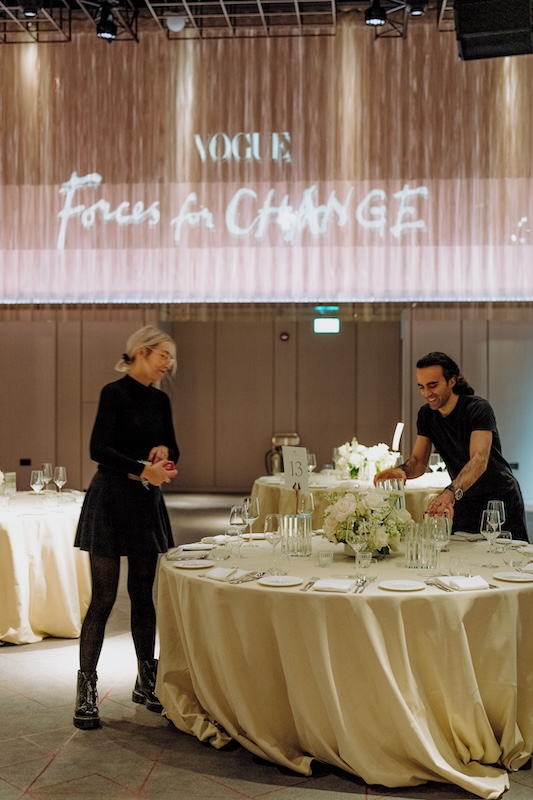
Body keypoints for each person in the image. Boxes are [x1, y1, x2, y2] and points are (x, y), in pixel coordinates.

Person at [73, 326, 180, 730]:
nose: (168, 364)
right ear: (141, 352)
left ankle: (146, 680)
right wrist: (141, 467)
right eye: (164, 355)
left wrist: (165, 454)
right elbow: (98, 449)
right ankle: (86, 690)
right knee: (102, 598)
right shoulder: (113, 393)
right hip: (111, 500)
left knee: (142, 595)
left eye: (170, 358)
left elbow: (174, 445)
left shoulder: (161, 400)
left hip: (145, 501)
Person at [374, 351, 528, 540]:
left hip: (498, 498)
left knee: (507, 562)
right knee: (461, 560)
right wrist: (402, 471)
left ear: (452, 381)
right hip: (463, 498)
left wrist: (450, 492)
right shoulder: (426, 415)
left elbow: (479, 460)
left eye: (433, 385)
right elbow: (418, 462)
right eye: (421, 387)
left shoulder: (478, 409)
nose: (426, 393)